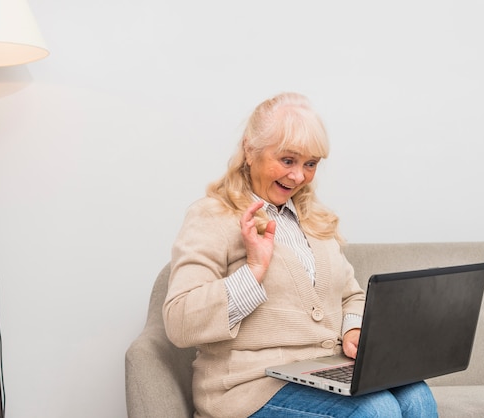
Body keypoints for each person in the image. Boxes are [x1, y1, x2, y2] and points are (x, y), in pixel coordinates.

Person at [162, 92, 438, 418]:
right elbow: (179, 322)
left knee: (416, 396)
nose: (298, 177)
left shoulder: (314, 221)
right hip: (247, 386)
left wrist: (353, 330)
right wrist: (253, 271)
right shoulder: (212, 216)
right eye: (288, 160)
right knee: (376, 411)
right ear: (250, 150)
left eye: (310, 164)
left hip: (322, 370)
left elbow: (352, 295)